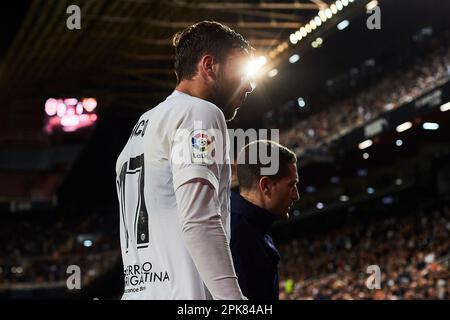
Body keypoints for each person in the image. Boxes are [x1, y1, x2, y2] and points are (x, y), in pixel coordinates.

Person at [115, 21, 253, 299]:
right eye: (240, 72)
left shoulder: (145, 122)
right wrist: (233, 301)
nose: (249, 85)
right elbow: (199, 219)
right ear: (209, 65)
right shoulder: (199, 112)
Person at [231, 140, 300, 299]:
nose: (296, 195)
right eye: (291, 185)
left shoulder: (240, 222)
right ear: (266, 186)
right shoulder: (243, 238)